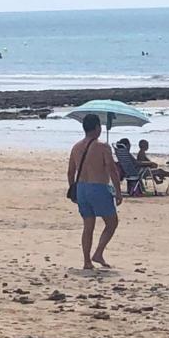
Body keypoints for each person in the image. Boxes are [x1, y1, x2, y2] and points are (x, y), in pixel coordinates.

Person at [67, 114, 122, 269]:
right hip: (98, 187)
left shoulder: (76, 147)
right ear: (97, 127)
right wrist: (118, 191)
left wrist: (74, 190)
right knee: (112, 223)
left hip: (82, 188)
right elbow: (112, 170)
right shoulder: (102, 146)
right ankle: (98, 253)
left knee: (88, 225)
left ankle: (87, 261)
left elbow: (70, 172)